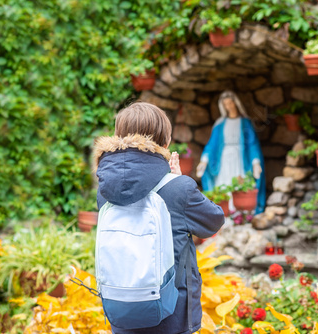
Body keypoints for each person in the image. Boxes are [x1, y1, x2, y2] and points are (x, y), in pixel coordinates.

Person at [93, 102, 225, 334]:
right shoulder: (179, 188)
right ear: (165, 143)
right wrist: (178, 180)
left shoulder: (105, 191)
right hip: (172, 315)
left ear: (118, 137)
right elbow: (213, 221)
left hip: (122, 309)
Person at [196, 90, 266, 213]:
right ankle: (225, 211)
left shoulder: (245, 123)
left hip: (240, 159)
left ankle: (241, 211)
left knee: (240, 182)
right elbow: (212, 145)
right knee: (224, 182)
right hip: (224, 159)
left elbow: (252, 144)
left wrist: (255, 162)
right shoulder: (220, 124)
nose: (228, 106)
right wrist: (203, 161)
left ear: (235, 103)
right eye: (225, 104)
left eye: (230, 103)